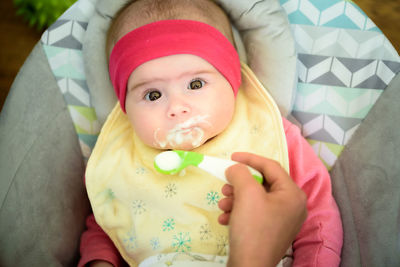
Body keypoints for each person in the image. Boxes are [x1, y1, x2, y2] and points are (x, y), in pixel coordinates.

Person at [79, 0, 343, 266]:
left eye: (195, 84)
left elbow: (315, 215)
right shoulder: (121, 155)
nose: (177, 107)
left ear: (232, 81)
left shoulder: (267, 134)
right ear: (125, 107)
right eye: (153, 94)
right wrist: (99, 260)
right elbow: (108, 218)